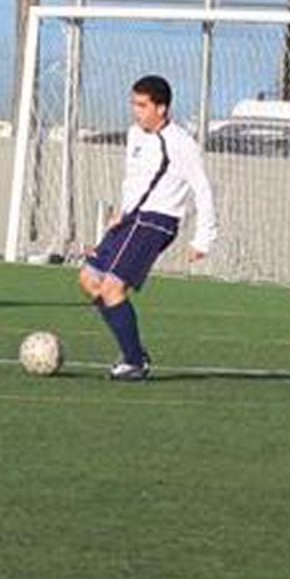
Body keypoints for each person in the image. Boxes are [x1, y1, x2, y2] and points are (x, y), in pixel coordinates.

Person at [80, 75, 217, 380]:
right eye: (134, 104)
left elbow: (202, 189)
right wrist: (121, 212)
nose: (136, 111)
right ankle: (134, 352)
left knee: (112, 287)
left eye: (142, 105)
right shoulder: (134, 134)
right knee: (89, 279)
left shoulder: (180, 143)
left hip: (156, 221)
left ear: (161, 108)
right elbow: (136, 178)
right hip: (132, 219)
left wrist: (203, 239)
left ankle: (134, 363)